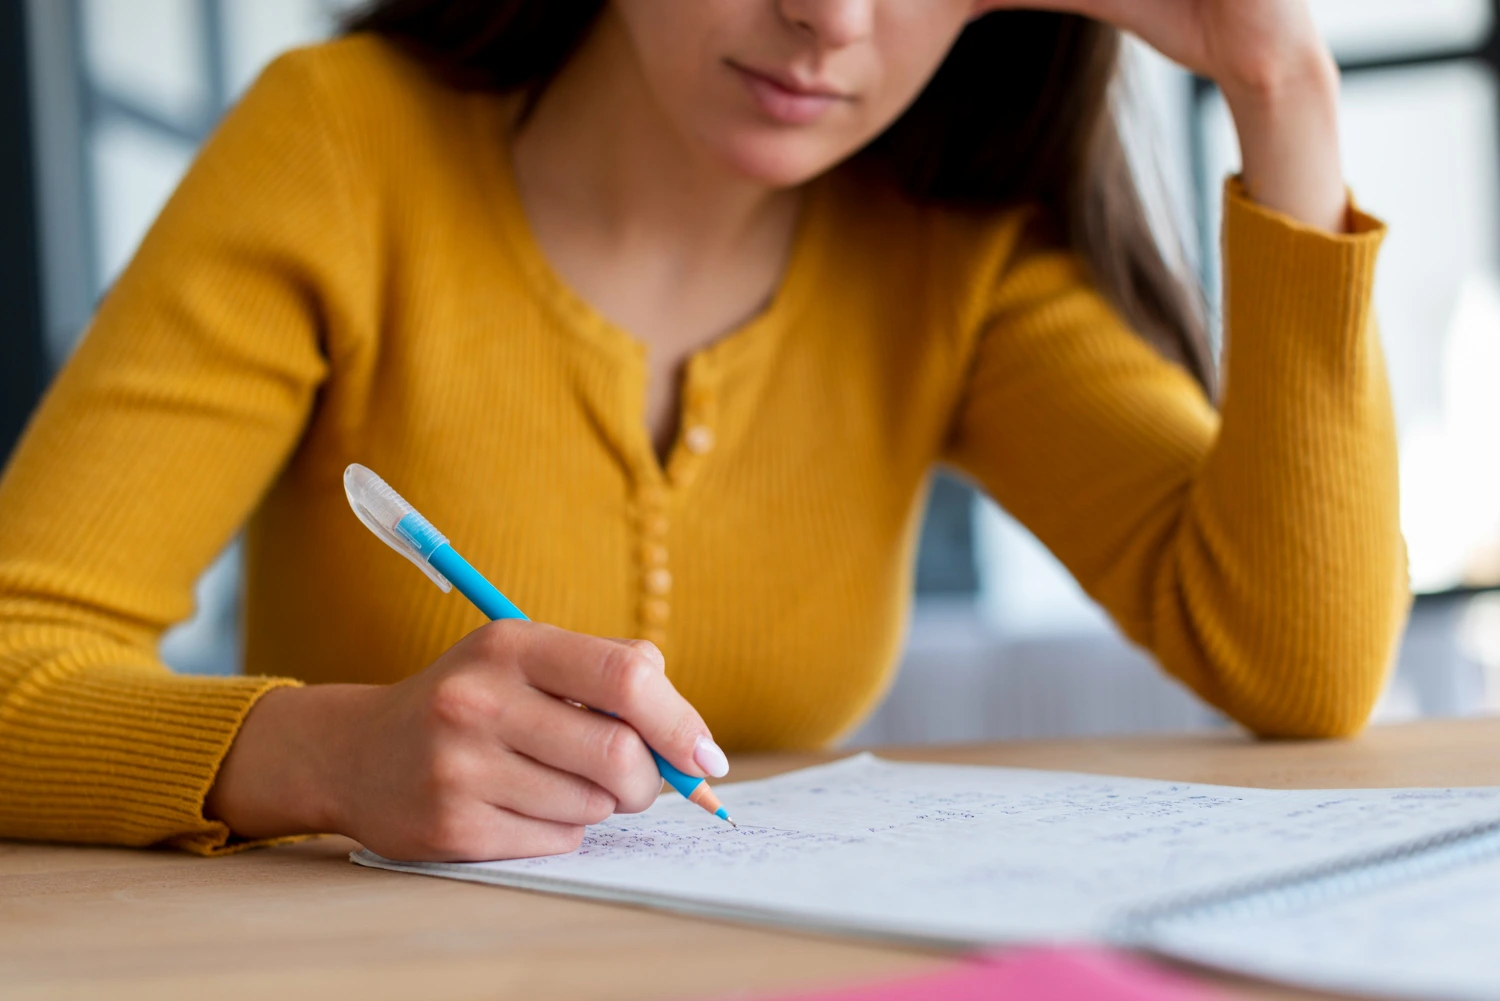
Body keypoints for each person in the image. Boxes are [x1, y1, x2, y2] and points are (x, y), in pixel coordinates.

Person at [0, 0, 1403, 862]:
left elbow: (1304, 661)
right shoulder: (338, 151)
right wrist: (330, 757)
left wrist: (1279, 78)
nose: (830, 16)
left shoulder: (953, 254)